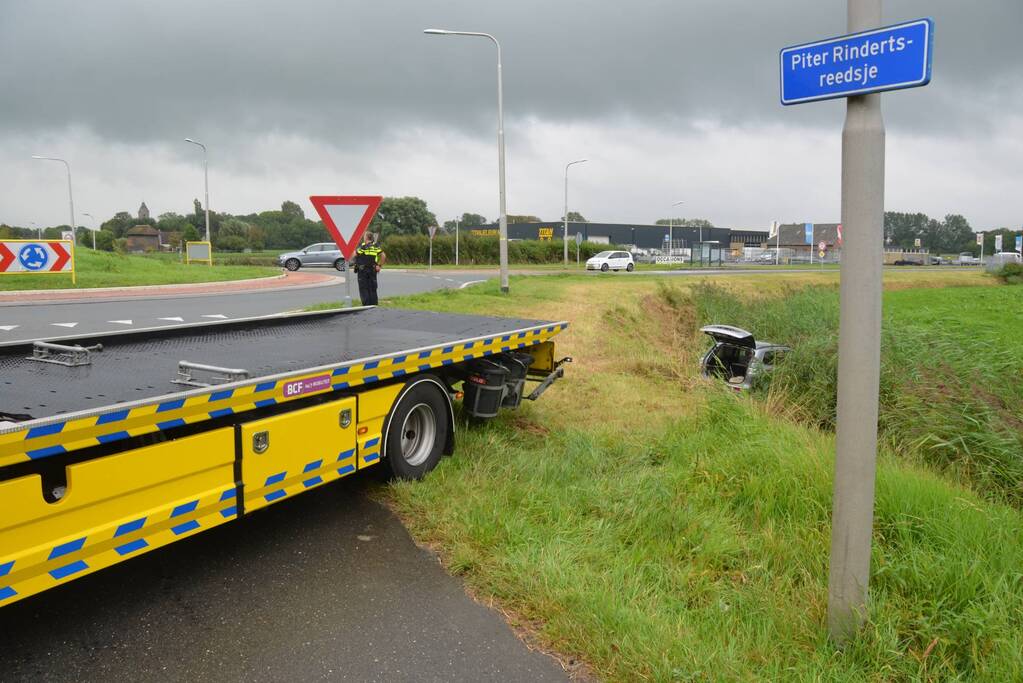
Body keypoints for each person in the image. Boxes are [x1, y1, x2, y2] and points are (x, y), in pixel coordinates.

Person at [354, 232, 385, 305]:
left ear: (366, 237)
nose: (363, 238)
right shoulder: (376, 246)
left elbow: (354, 255)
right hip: (373, 270)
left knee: (364, 288)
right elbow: (383, 256)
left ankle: (366, 306)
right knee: (372, 287)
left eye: (364, 236)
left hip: (363, 270)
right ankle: (374, 305)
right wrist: (379, 266)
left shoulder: (363, 246)